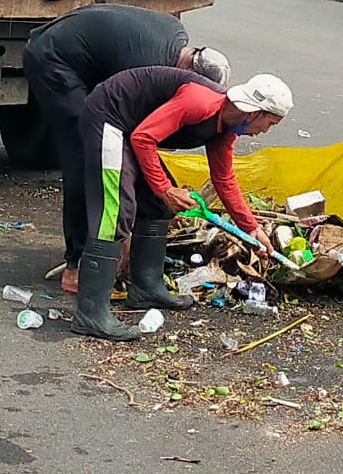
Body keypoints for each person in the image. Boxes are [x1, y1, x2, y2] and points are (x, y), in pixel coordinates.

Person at [22, 4, 231, 293]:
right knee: (86, 154)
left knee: (118, 157)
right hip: (53, 57)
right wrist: (152, 197)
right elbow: (126, 135)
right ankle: (76, 264)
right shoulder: (143, 65)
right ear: (187, 69)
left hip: (88, 57)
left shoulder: (176, 39)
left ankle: (131, 263)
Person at [72, 68, 293, 340]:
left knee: (157, 205)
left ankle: (146, 287)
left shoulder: (225, 129)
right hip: (110, 118)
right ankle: (91, 314)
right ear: (255, 112)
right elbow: (143, 138)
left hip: (133, 130)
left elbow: (223, 179)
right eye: (269, 124)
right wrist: (165, 188)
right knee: (115, 210)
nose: (264, 132)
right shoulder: (201, 102)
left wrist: (252, 229)